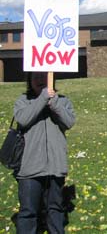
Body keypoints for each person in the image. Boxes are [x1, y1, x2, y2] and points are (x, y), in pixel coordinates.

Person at [13, 72, 76, 233]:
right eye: (36, 77)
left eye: (43, 76)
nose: (40, 79)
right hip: (29, 167)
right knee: (28, 211)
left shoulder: (62, 100)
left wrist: (53, 102)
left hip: (55, 165)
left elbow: (69, 122)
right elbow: (23, 119)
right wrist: (42, 98)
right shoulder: (23, 101)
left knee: (55, 209)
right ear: (29, 80)